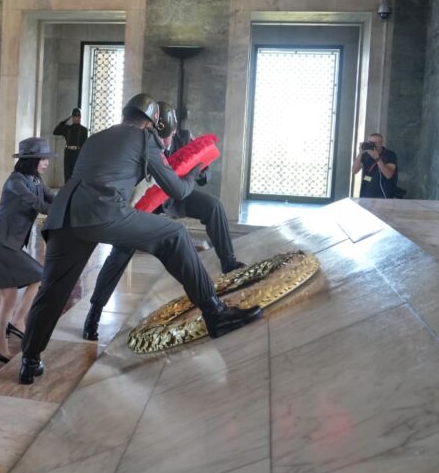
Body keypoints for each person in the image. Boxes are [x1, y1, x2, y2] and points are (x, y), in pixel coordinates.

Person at [17, 94, 264, 385]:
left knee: (52, 292)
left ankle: (29, 361)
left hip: (64, 217)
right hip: (105, 212)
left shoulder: (96, 137)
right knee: (175, 235)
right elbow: (177, 190)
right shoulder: (144, 138)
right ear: (152, 122)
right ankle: (216, 314)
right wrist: (196, 168)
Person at [82, 101, 246, 340]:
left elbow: (204, 173)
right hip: (143, 205)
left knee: (213, 206)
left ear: (175, 131)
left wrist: (199, 171)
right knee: (119, 254)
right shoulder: (139, 142)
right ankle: (94, 313)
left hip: (174, 196)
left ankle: (229, 263)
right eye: (159, 136)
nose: (163, 142)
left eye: (167, 137)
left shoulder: (184, 137)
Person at [0, 137, 53, 370]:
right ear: (31, 160)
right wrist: (61, 209)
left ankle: (1, 348)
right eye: (43, 159)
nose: (46, 163)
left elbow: (52, 198)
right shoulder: (16, 181)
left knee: (10, 297)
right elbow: (39, 205)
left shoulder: (35, 179)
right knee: (38, 276)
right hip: (0, 242)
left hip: (10, 243)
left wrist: (73, 201)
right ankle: (18, 321)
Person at [352, 132, 398, 199]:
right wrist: (360, 153)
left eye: (377, 142)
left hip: (384, 194)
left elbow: (388, 175)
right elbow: (354, 171)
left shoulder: (390, 154)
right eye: (371, 143)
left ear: (381, 143)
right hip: (366, 193)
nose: (374, 145)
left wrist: (377, 158)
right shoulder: (365, 155)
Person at [52, 107, 89, 182]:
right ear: (72, 118)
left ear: (80, 118)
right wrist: (64, 121)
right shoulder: (67, 128)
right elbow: (55, 132)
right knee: (67, 174)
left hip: (77, 153)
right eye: (74, 117)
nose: (76, 118)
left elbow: (85, 144)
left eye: (77, 117)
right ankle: (67, 189)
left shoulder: (83, 130)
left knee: (76, 174)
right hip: (68, 152)